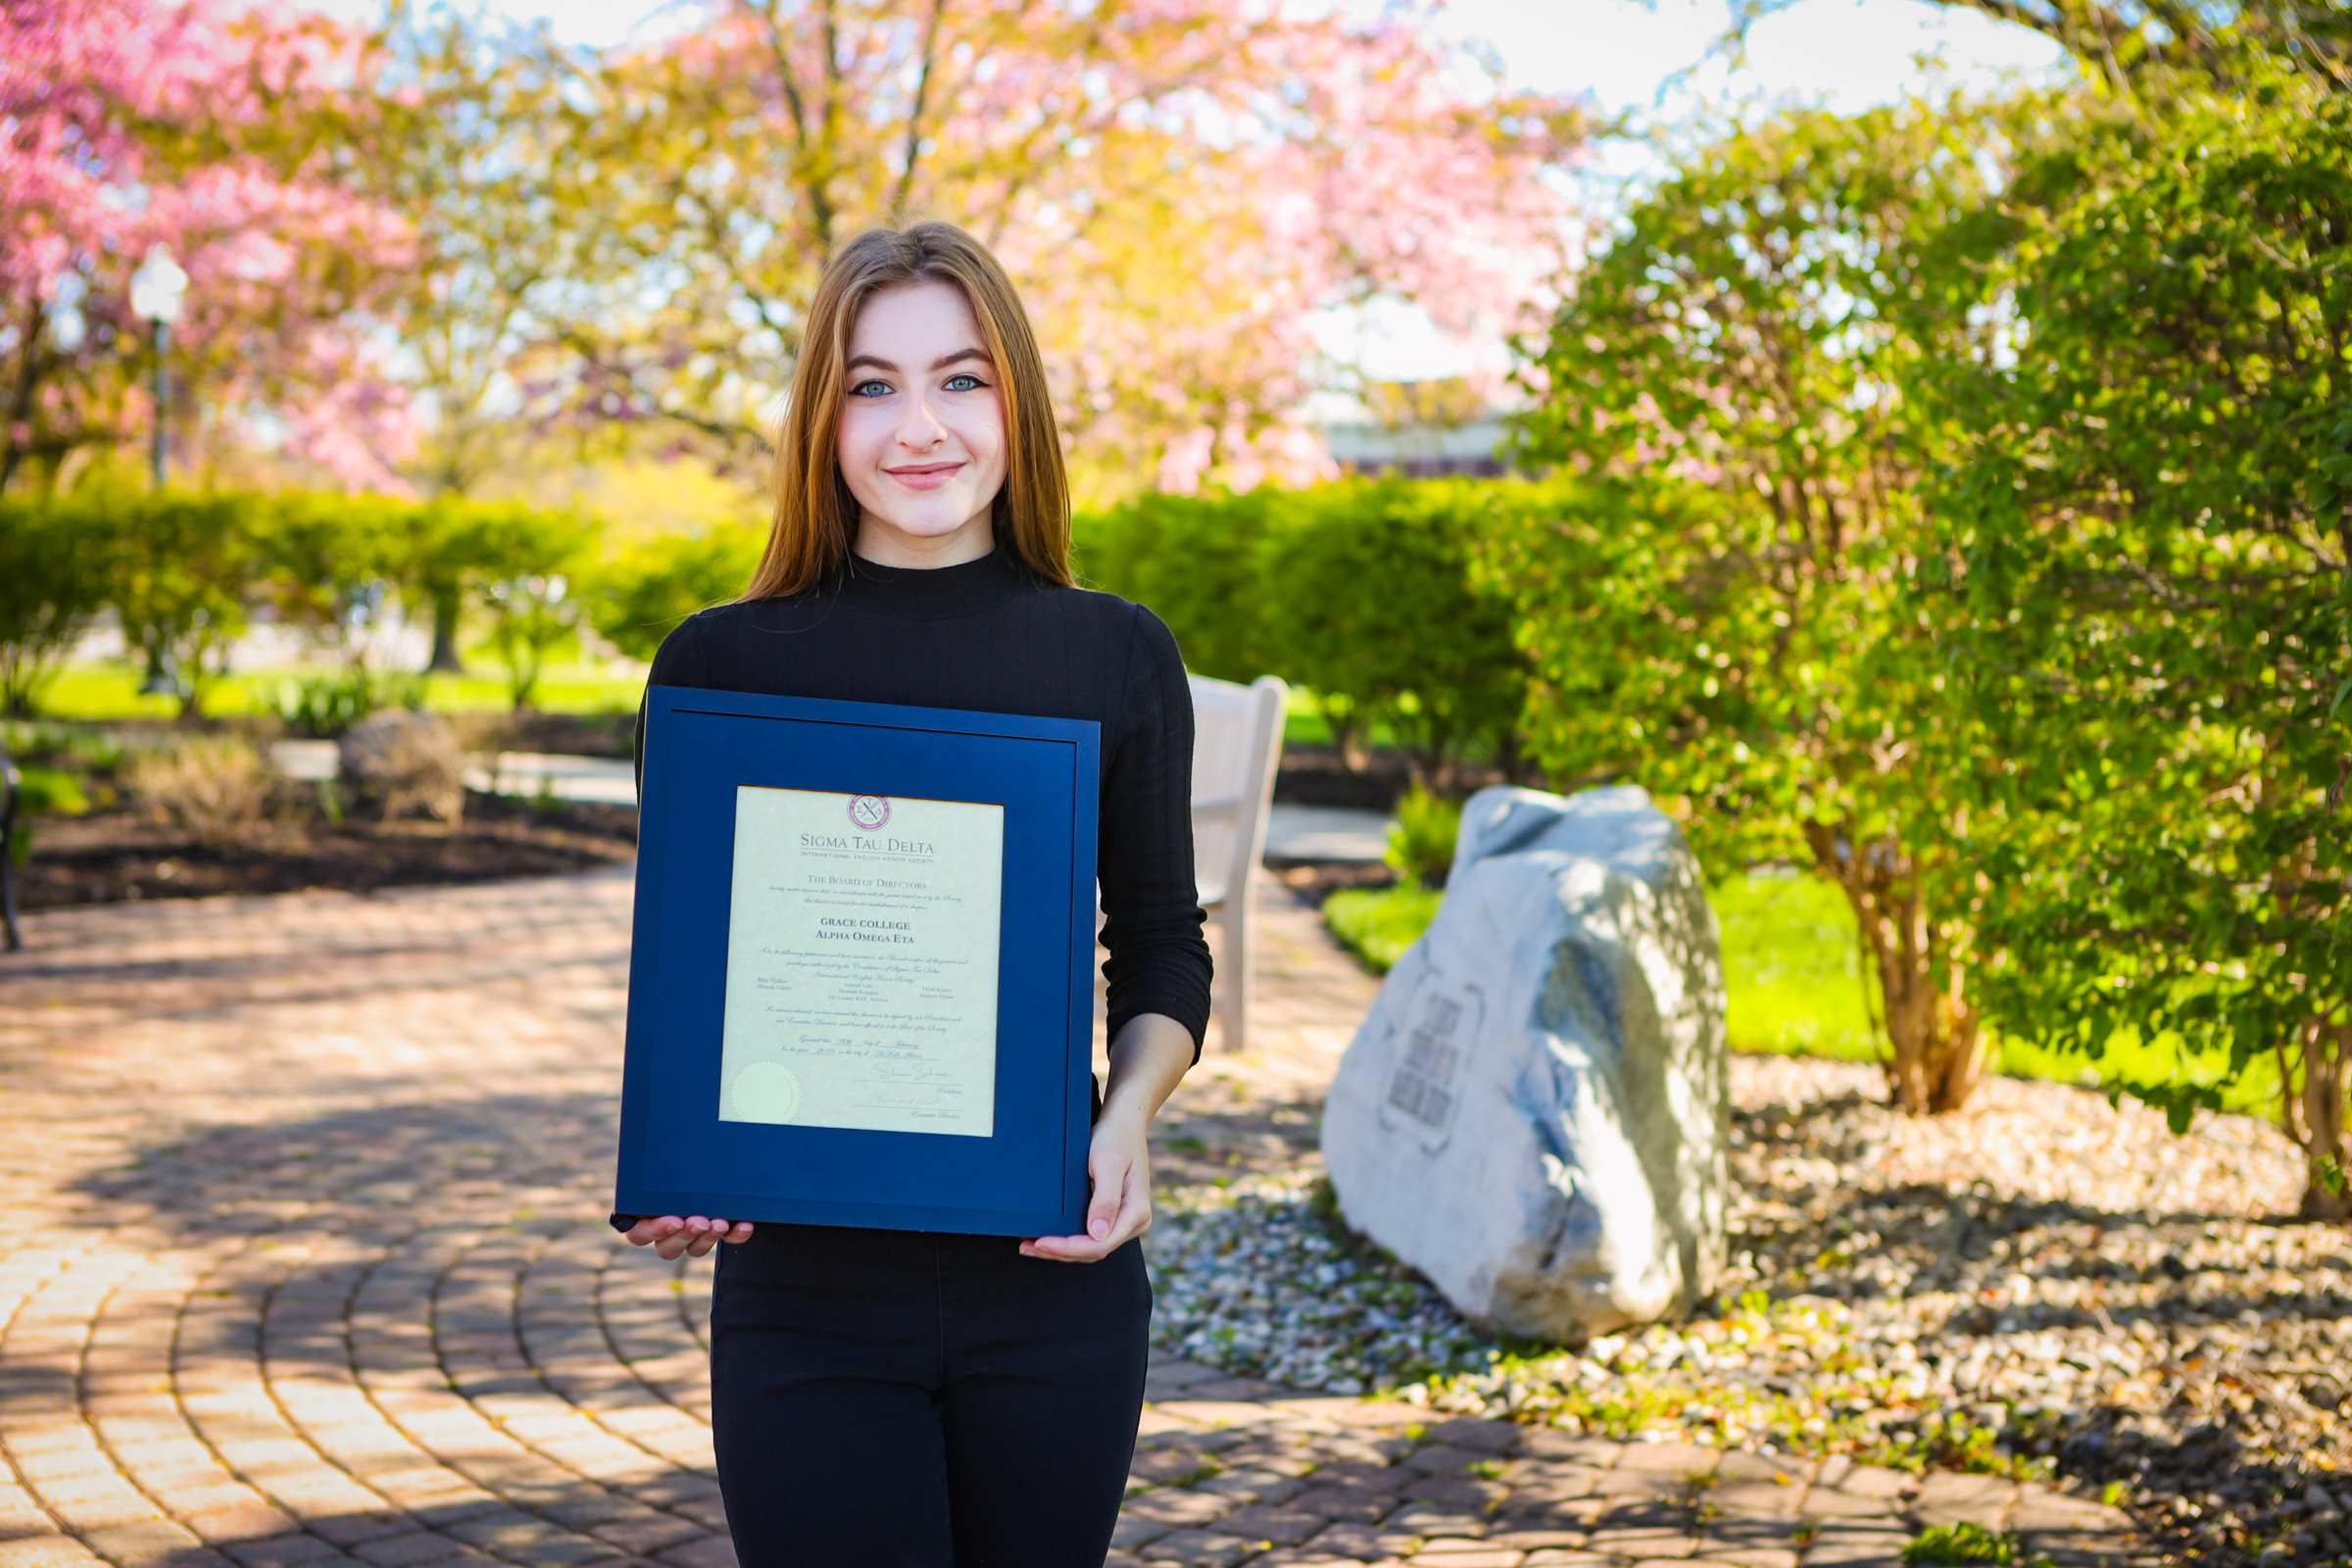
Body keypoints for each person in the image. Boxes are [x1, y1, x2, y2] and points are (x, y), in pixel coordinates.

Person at [609, 219, 1213, 1567]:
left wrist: (1130, 1117)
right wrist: (684, 1151)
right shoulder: (721, 670)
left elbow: (1166, 947)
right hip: (804, 1300)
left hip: (1051, 1286)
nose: (918, 426)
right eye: (872, 385)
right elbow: (705, 966)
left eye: (962, 378)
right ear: (823, 418)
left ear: (1018, 404)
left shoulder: (1115, 656)